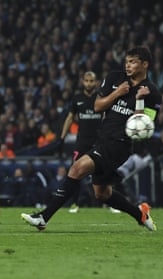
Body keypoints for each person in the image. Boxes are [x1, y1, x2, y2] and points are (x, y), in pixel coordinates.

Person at [21, 46, 161, 231]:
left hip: (120, 144)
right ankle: (140, 214)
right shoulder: (114, 79)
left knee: (77, 168)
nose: (128, 66)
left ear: (145, 64)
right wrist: (117, 93)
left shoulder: (152, 93)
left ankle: (44, 217)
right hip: (102, 138)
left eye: (133, 62)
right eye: (127, 61)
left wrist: (140, 100)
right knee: (102, 194)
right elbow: (97, 106)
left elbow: (144, 127)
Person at [59, 71, 116, 213]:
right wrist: (62, 137)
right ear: (82, 81)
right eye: (87, 80)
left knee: (106, 172)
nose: (89, 83)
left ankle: (110, 204)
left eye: (92, 81)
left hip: (99, 142)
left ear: (96, 82)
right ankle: (74, 203)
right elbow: (70, 118)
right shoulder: (77, 99)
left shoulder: (101, 98)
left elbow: (107, 118)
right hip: (82, 143)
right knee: (75, 171)